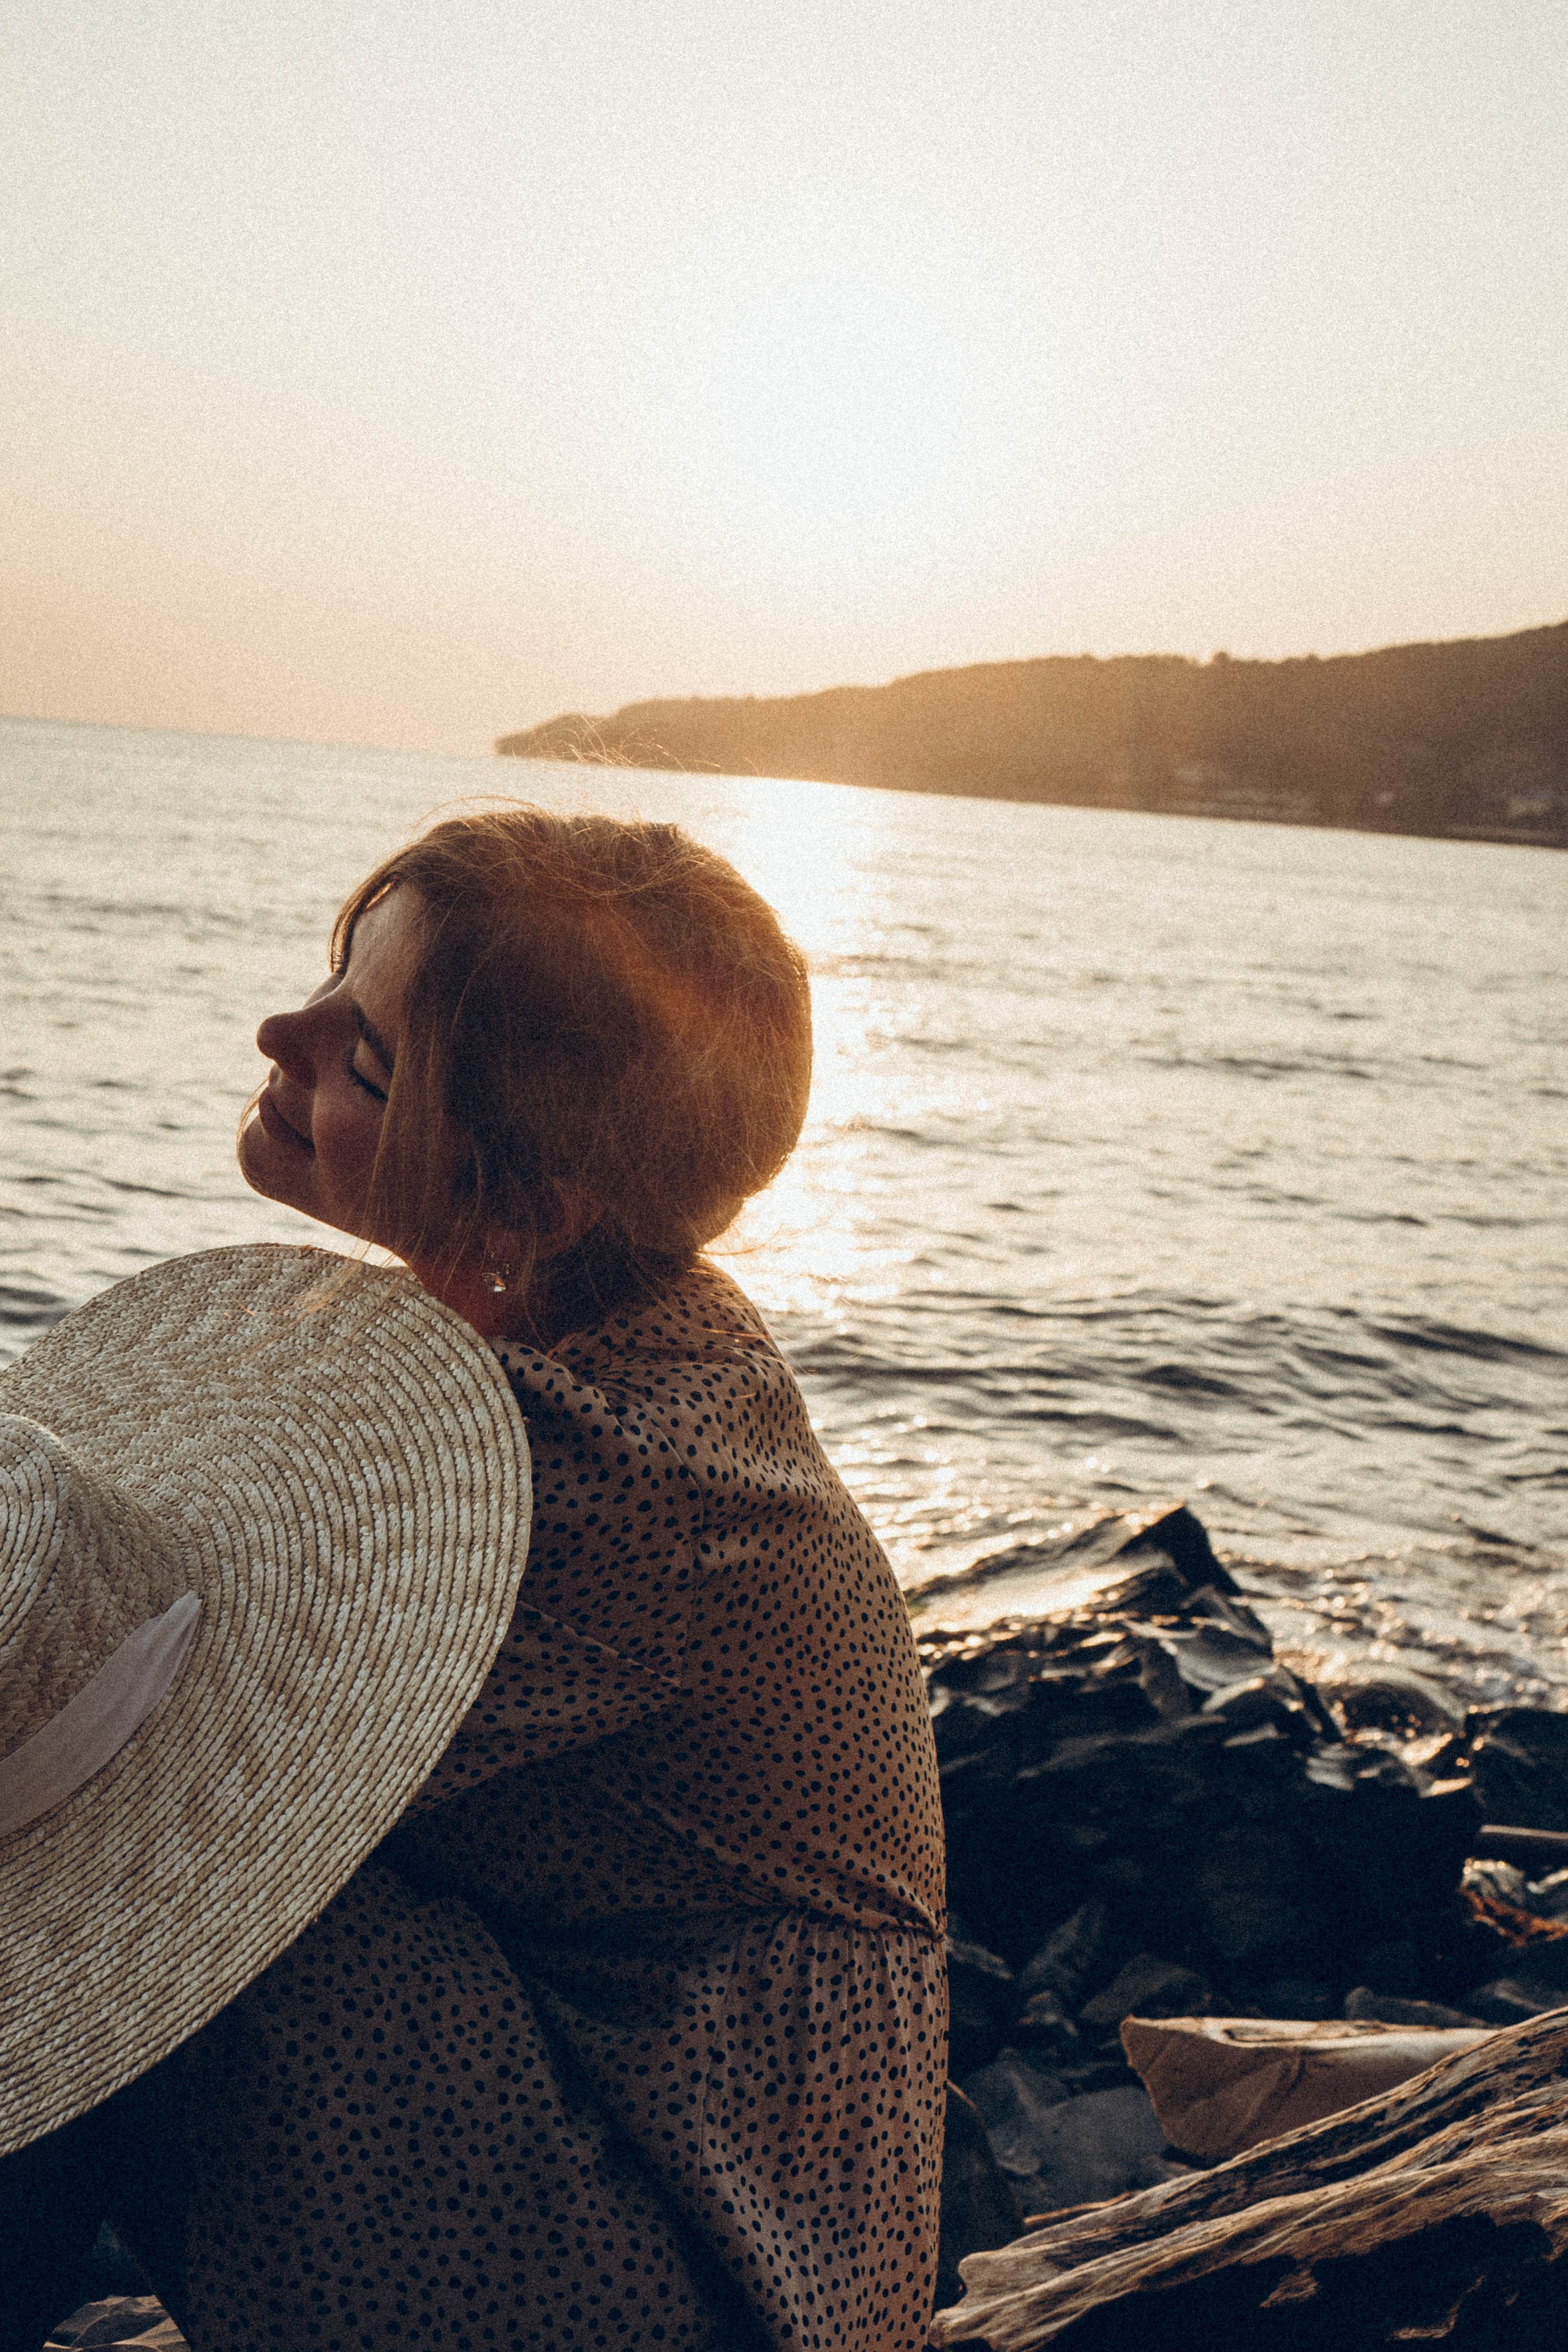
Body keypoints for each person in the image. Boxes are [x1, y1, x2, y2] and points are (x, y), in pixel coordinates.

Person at [9, 808, 948, 2351]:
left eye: (365, 1056)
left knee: (139, 1863)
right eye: (330, 980)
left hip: (698, 2279)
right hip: (623, 2171)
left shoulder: (579, 1479)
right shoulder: (574, 1339)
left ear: (527, 1204)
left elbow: (137, 1787)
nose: (281, 1033)